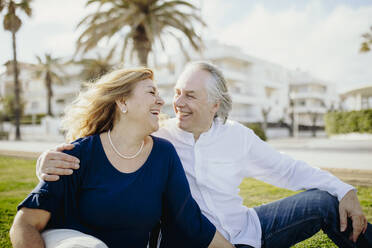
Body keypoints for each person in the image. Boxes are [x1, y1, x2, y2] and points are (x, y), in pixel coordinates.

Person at [35, 61, 371, 248]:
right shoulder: (158, 136)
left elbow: (288, 169)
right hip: (197, 243)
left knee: (325, 201)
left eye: (190, 96)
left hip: (251, 229)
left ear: (215, 104)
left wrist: (345, 189)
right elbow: (102, 141)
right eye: (177, 93)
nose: (177, 103)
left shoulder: (237, 136)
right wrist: (44, 161)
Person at [9, 67, 234, 248]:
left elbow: (191, 221)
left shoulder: (163, 154)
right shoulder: (77, 155)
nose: (161, 101)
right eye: (150, 92)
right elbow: (24, 225)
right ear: (122, 102)